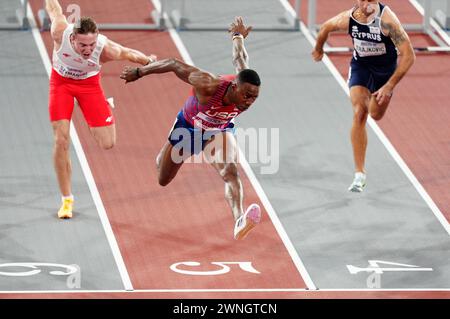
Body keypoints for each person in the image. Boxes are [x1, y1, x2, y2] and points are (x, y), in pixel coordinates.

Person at [120, 17, 262, 240]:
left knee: (231, 172)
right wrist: (139, 72)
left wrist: (237, 36)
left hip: (219, 131)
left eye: (254, 98)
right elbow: (174, 63)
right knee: (163, 178)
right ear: (234, 86)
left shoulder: (246, 85)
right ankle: (163, 155)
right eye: (246, 95)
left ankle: (239, 220)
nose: (249, 101)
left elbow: (240, 57)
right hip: (188, 130)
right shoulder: (208, 84)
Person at [45, 0, 156, 218]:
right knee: (61, 139)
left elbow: (129, 53)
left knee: (107, 143)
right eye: (82, 45)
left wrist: (148, 61)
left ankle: (103, 104)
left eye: (91, 45)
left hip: (89, 86)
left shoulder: (107, 49)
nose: (88, 50)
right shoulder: (59, 31)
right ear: (73, 38)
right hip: (61, 85)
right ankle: (67, 200)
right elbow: (53, 8)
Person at [312, 0, 415, 192]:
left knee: (375, 114)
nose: (366, 4)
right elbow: (326, 27)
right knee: (360, 113)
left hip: (385, 73)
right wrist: (319, 48)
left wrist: (390, 85)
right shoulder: (349, 19)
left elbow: (409, 55)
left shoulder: (387, 21)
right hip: (362, 68)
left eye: (371, 0)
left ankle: (380, 94)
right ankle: (359, 174)